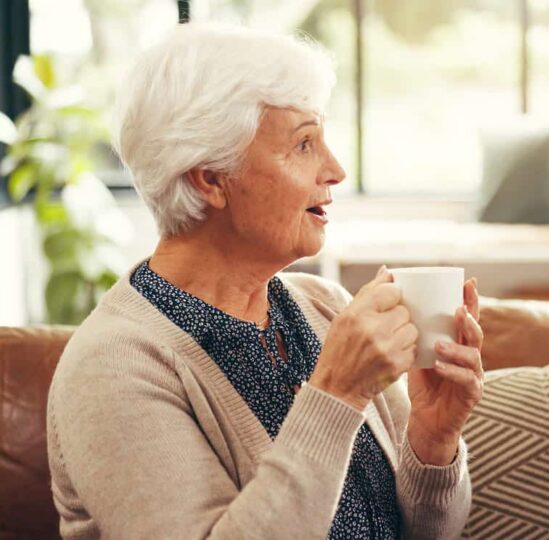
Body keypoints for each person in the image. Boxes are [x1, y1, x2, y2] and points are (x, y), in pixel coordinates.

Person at [46, 24, 481, 540]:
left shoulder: (325, 307)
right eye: (303, 144)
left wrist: (432, 442)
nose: (336, 170)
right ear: (210, 179)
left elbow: (431, 533)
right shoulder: (113, 369)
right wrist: (337, 395)